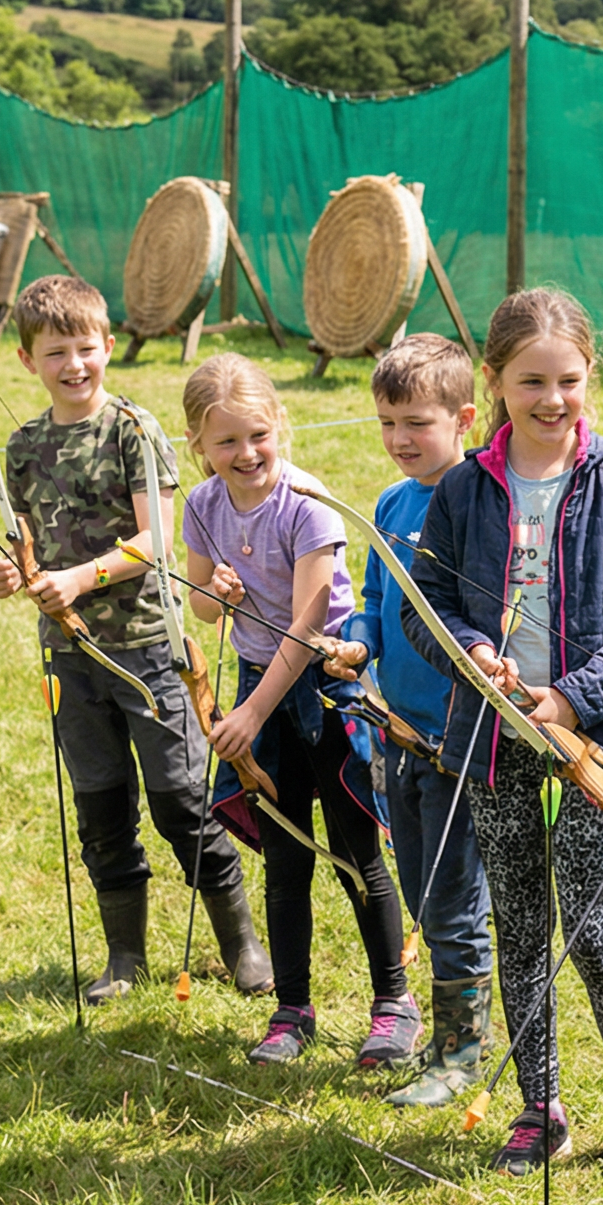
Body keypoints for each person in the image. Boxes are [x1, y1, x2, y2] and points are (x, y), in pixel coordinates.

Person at [407, 291, 603, 1179]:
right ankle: (540, 1104)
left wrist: (570, 697)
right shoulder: (463, 489)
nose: (552, 399)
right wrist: (472, 650)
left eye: (568, 380)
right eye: (531, 382)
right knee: (520, 924)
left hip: (598, 741)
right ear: (495, 382)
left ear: (589, 376)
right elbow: (427, 608)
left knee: (593, 931)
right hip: (493, 740)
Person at [0, 275, 268, 1005]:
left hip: (145, 648)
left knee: (180, 802)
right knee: (101, 807)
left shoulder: (134, 430)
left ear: (108, 346)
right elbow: (29, 545)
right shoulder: (23, 447)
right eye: (55, 353)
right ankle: (124, 958)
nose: (73, 365)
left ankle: (242, 946)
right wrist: (13, 574)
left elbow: (155, 540)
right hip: (70, 658)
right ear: (27, 361)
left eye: (85, 348)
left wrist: (78, 579)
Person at [179, 353, 418, 1070]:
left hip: (324, 686)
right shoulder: (201, 507)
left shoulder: (307, 506)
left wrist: (248, 714)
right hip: (262, 686)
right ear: (199, 446)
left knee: (355, 854)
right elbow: (198, 603)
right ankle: (293, 1009)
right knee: (284, 859)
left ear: (279, 424)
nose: (246, 454)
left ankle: (392, 1003)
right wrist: (213, 593)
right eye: (226, 442)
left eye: (257, 435)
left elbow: (308, 629)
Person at [320, 335, 494, 1109]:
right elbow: (375, 604)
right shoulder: (390, 504)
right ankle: (447, 1037)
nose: (399, 440)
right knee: (423, 893)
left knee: (454, 900)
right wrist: (356, 645)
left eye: (416, 422)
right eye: (387, 422)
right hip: (401, 733)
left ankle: (462, 1049)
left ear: (464, 418)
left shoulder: (482, 503)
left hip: (463, 741)